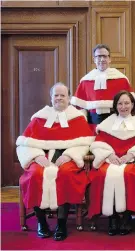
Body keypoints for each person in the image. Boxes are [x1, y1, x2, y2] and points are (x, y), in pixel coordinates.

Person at [16, 82, 94, 241]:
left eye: (62, 95)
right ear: (51, 98)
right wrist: (36, 156)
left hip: (66, 158)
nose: (59, 98)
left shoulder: (77, 118)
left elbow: (85, 143)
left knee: (65, 174)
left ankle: (61, 223)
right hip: (41, 157)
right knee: (35, 175)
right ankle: (42, 222)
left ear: (69, 98)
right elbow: (24, 142)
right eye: (56, 95)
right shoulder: (40, 117)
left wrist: (71, 154)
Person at [87, 90, 135, 236]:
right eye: (120, 103)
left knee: (129, 173)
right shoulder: (107, 123)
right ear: (115, 106)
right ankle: (112, 217)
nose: (123, 106)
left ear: (133, 105)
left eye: (127, 103)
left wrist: (132, 154)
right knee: (101, 174)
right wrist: (109, 154)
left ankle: (126, 217)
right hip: (110, 160)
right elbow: (98, 143)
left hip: (134, 161)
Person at [71, 44, 134, 131]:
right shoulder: (86, 81)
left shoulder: (121, 79)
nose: (102, 59)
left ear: (109, 59)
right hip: (92, 126)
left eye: (105, 56)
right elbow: (80, 108)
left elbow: (130, 104)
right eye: (99, 56)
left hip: (116, 125)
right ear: (94, 59)